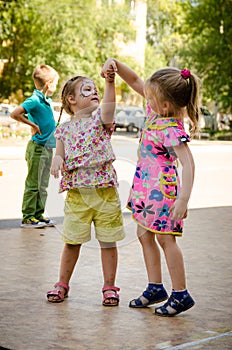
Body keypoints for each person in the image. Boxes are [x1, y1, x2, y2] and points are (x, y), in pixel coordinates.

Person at [102, 59, 200, 316]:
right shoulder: (154, 110)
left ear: (166, 104)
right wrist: (115, 65)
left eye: (150, 95)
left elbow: (188, 165)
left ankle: (181, 293)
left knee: (166, 239)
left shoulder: (171, 128)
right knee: (145, 235)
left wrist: (183, 200)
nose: (146, 96)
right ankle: (155, 287)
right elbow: (135, 80)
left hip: (163, 192)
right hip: (145, 188)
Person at [46, 71, 125, 305]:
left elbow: (109, 106)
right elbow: (59, 152)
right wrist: (57, 159)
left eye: (95, 90)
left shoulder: (100, 120)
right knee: (71, 242)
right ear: (72, 99)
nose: (95, 93)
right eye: (87, 90)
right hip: (77, 195)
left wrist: (110, 83)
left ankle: (109, 286)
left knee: (108, 242)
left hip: (105, 193)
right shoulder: (63, 129)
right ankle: (62, 283)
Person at [11, 64, 59, 228]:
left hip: (47, 148)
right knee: (33, 184)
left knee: (42, 184)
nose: (56, 86)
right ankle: (28, 216)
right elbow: (15, 113)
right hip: (37, 148)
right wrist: (32, 124)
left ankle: (38, 214)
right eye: (56, 83)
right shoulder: (35, 100)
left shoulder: (45, 101)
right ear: (49, 84)